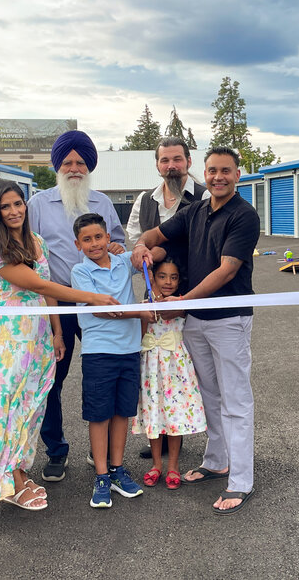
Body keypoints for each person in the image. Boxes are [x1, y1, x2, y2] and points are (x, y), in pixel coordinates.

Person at [0, 183, 119, 513]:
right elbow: (37, 284)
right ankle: (9, 479)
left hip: (38, 333)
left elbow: (45, 287)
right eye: (6, 206)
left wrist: (57, 331)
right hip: (10, 336)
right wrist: (90, 297)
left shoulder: (35, 242)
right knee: (8, 405)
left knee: (30, 405)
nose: (14, 211)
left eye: (18, 204)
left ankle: (19, 473)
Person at [132, 146, 260, 516]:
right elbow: (155, 235)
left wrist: (182, 300)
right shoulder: (194, 212)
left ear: (237, 174)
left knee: (235, 399)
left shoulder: (244, 216)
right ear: (204, 172)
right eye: (213, 170)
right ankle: (217, 461)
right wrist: (142, 246)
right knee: (209, 395)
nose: (218, 176)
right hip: (196, 322)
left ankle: (241, 479)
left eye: (226, 170)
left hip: (228, 318)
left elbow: (227, 270)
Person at [27, 130, 125, 483]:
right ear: (57, 166)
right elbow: (31, 256)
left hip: (99, 302)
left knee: (104, 372)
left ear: (89, 166)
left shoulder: (102, 202)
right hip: (58, 303)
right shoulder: (37, 204)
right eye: (67, 162)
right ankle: (56, 450)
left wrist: (115, 247)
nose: (73, 168)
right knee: (52, 378)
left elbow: (117, 242)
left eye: (80, 162)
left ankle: (100, 451)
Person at [125, 135, 209, 459]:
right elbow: (135, 240)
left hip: (196, 297)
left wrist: (165, 250)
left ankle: (194, 435)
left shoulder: (203, 196)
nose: (171, 166)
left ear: (189, 161)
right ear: (157, 165)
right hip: (157, 298)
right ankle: (160, 430)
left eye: (177, 159)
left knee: (193, 373)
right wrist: (139, 250)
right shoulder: (145, 200)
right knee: (158, 371)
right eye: (165, 160)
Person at [71, 213, 154, 509]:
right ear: (78, 244)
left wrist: (142, 249)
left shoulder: (121, 261)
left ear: (109, 238)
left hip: (129, 350)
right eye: (87, 239)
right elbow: (101, 310)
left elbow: (148, 252)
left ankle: (118, 470)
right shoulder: (80, 273)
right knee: (99, 414)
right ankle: (102, 475)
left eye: (98, 237)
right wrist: (140, 313)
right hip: (99, 352)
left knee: (122, 412)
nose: (94, 244)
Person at [131, 258, 207, 490]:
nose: (168, 282)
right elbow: (140, 335)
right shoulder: (146, 305)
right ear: (152, 277)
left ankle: (173, 465)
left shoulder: (182, 305)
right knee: (154, 414)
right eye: (162, 276)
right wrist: (146, 315)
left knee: (174, 415)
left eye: (174, 277)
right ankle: (156, 465)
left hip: (176, 367)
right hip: (151, 367)